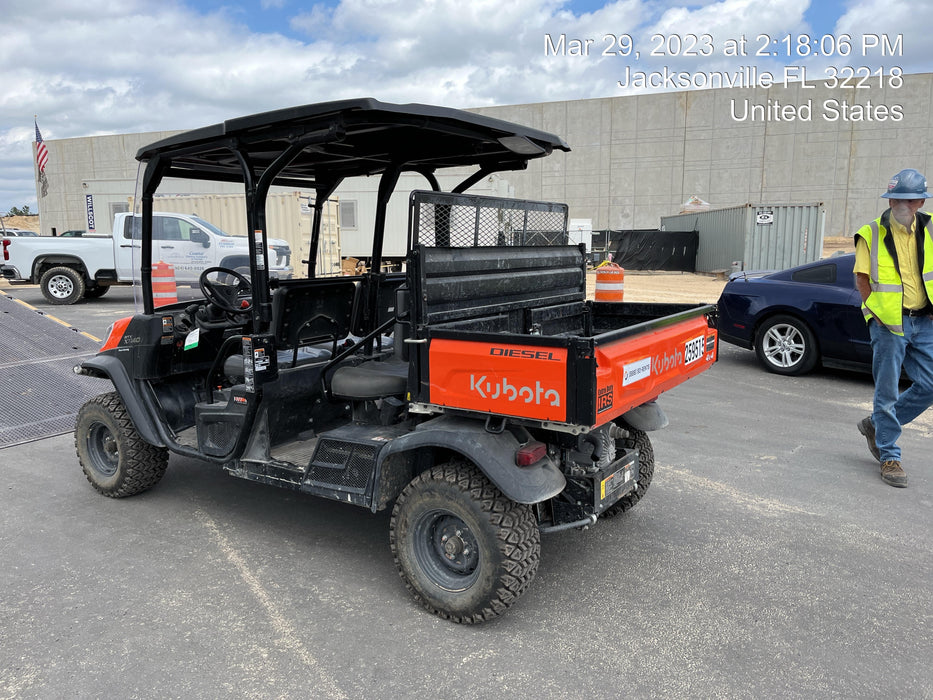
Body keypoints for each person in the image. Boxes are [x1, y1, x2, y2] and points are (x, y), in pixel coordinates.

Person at [854, 168, 933, 487]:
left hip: (923, 321)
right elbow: (862, 279)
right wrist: (875, 314)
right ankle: (890, 456)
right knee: (886, 391)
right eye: (896, 198)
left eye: (910, 199)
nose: (903, 205)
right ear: (890, 200)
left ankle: (876, 425)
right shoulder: (871, 232)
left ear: (921, 201)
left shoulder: (929, 229)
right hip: (889, 323)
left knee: (930, 384)